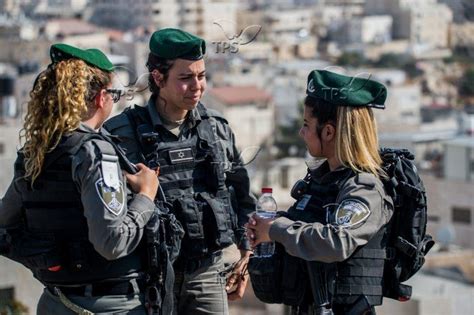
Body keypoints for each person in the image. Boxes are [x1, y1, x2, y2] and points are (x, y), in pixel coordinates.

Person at [104, 28, 256, 314]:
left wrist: (246, 255)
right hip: (149, 279)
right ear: (158, 78)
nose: (197, 86)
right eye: (185, 78)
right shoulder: (121, 134)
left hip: (208, 274)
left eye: (201, 76)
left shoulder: (217, 130)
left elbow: (243, 197)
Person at [0, 43, 160, 314]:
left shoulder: (35, 150)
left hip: (56, 301)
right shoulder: (95, 151)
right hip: (109, 305)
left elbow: (6, 223)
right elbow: (112, 242)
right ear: (101, 97)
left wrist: (50, 258)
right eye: (115, 94)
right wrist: (145, 195)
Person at [246, 69, 394, 315]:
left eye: (306, 125)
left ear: (328, 131)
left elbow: (337, 242)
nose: (302, 133)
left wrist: (275, 229)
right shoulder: (320, 182)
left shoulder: (364, 188)